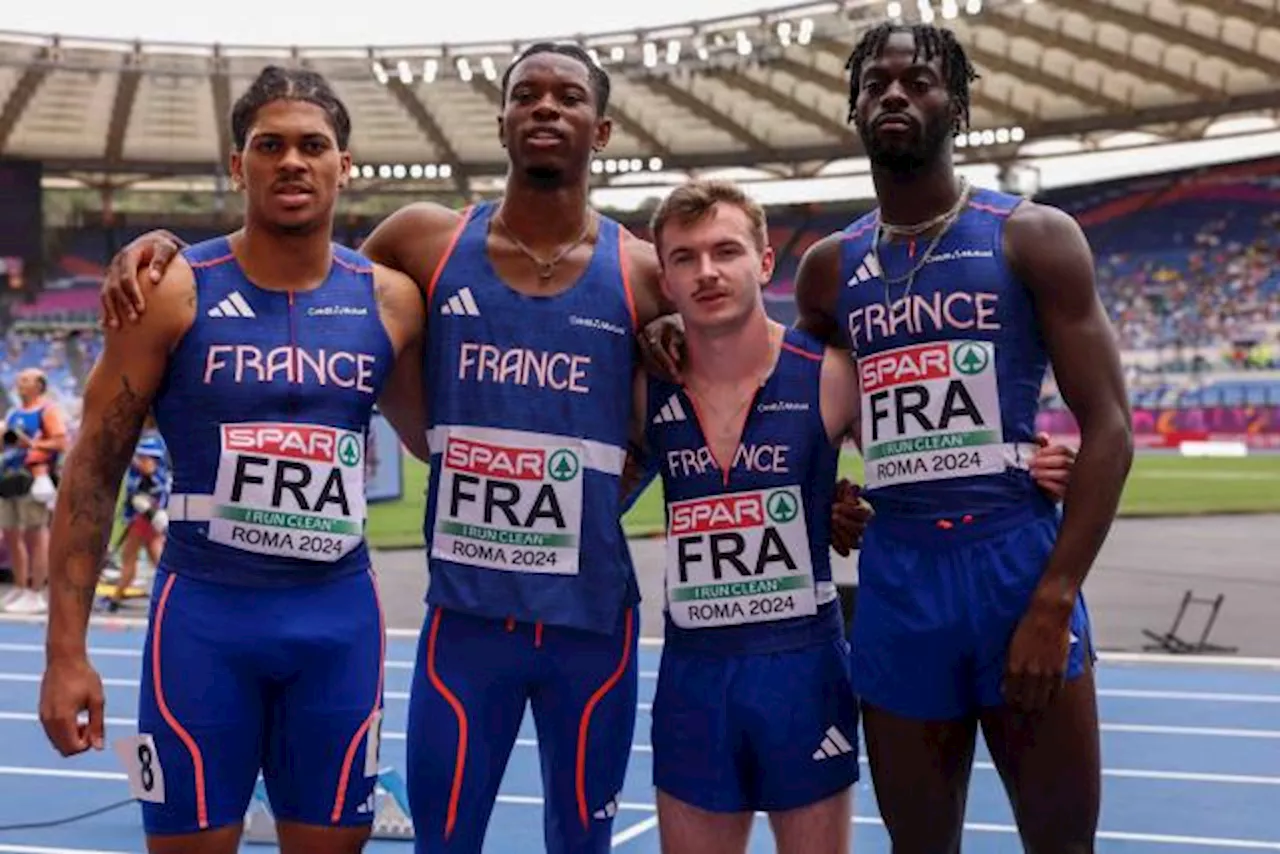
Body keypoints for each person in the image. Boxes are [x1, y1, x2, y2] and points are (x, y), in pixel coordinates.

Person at [99, 44, 871, 854]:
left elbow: (737, 394)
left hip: (591, 627)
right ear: (499, 121)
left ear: (600, 129)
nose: (545, 107)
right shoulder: (421, 241)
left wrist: (815, 494)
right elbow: (302, 265)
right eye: (525, 94)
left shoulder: (649, 274)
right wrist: (164, 247)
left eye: (566, 97)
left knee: (582, 843)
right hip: (463, 629)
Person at [39, 66, 430, 854]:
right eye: (269, 145)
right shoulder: (171, 291)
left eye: (313, 145)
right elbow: (91, 470)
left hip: (338, 628)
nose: (292, 161)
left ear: (343, 165)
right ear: (237, 165)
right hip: (202, 627)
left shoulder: (392, 300)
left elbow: (452, 436)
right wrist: (65, 654)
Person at [632, 178, 1079, 854]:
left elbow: (927, 449)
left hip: (803, 671)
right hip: (693, 674)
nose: (707, 272)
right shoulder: (642, 385)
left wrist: (1027, 464)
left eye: (725, 251)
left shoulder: (836, 375)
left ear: (763, 262)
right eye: (685, 258)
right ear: (663, 277)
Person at [791, 23, 1131, 854]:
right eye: (875, 83)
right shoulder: (828, 269)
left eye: (920, 80)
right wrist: (830, 489)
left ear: (960, 105)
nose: (895, 94)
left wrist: (1052, 603)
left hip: (1015, 565)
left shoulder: (1032, 236)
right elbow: (805, 401)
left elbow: (1111, 428)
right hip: (899, 583)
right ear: (854, 106)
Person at [1, 367, 67, 615]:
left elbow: (61, 442)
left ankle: (36, 591)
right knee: (10, 534)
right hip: (9, 478)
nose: (19, 383)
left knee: (35, 535)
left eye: (25, 379)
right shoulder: (13, 412)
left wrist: (32, 443)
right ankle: (20, 586)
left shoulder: (47, 410)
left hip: (34, 477)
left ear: (39, 385)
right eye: (19, 379)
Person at [99, 417, 171, 612]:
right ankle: (169, 594)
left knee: (131, 553)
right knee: (155, 553)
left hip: (147, 506)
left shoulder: (150, 441)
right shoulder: (150, 438)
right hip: (142, 506)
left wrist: (127, 453)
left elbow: (149, 468)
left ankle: (116, 598)